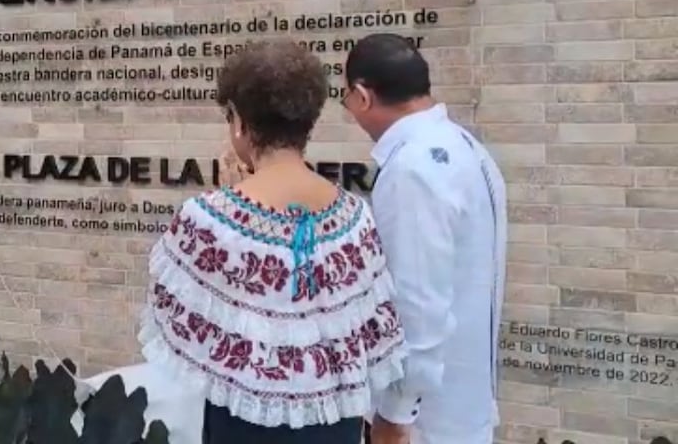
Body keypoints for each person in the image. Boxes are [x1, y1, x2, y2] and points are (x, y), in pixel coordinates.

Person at [140, 39, 406, 444]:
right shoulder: (355, 216)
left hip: (242, 424)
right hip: (335, 425)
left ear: (239, 122)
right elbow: (375, 337)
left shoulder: (208, 219)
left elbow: (173, 326)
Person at [341, 33, 508, 444]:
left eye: (346, 97)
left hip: (427, 421)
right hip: (463, 405)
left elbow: (417, 305)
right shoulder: (466, 148)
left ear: (362, 96)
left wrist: (396, 414)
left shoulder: (412, 170)